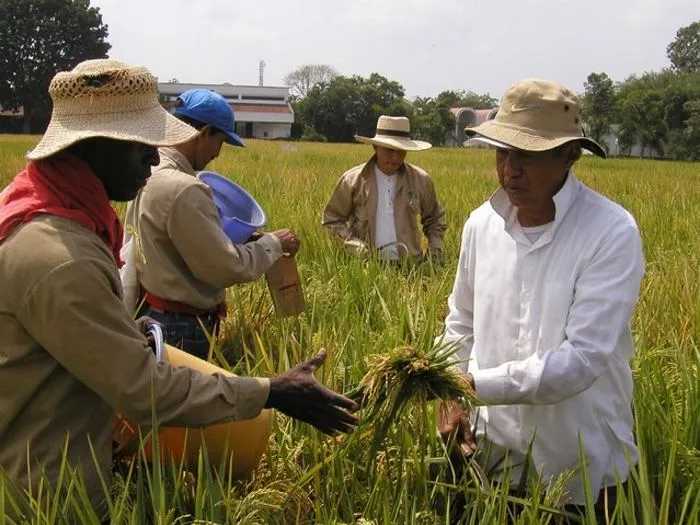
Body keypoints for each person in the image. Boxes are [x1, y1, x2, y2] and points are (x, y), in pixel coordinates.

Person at [0, 59, 358, 521]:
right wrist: (271, 391)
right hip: (45, 497)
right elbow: (144, 390)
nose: (154, 157)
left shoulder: (43, 210)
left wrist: (121, 328)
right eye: (143, 145)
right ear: (93, 146)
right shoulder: (61, 258)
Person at [437, 79, 644, 522]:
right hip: (492, 462)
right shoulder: (480, 226)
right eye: (501, 152)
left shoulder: (610, 232)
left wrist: (472, 386)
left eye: (527, 155)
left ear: (569, 156)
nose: (510, 169)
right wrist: (451, 390)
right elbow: (460, 323)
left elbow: (582, 359)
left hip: (581, 470)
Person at [123, 88, 300, 359]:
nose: (218, 153)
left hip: (149, 311)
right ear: (204, 132)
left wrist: (244, 239)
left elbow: (173, 243)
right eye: (221, 141)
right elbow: (226, 268)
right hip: (181, 327)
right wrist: (273, 244)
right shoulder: (185, 189)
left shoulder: (149, 171)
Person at [322, 115, 446, 264]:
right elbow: (332, 219)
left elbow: (435, 220)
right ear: (375, 147)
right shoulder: (353, 180)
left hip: (411, 267)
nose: (395, 158)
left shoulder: (421, 179)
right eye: (388, 150)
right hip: (366, 267)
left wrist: (434, 253)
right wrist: (356, 247)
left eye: (400, 151)